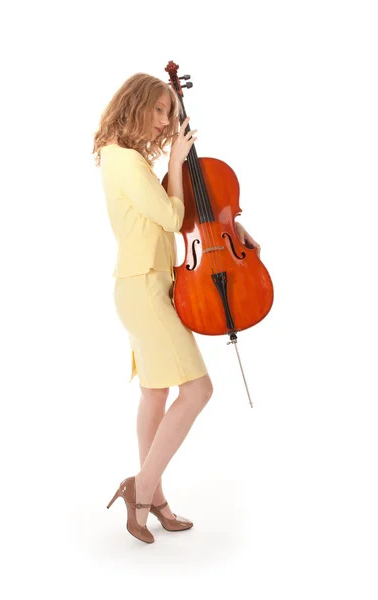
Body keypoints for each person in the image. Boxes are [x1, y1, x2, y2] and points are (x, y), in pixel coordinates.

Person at [92, 73, 260, 544]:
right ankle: (139, 489)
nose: (167, 121)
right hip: (144, 289)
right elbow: (168, 215)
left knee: (154, 394)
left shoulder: (125, 159)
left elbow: (180, 214)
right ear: (137, 105)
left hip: (147, 285)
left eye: (171, 112)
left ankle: (155, 500)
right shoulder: (123, 159)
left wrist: (229, 223)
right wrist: (177, 159)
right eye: (160, 111)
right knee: (198, 390)